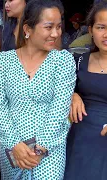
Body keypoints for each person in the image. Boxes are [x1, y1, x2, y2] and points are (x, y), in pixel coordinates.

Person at [0, 0, 76, 179]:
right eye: (48, 27)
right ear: (28, 29)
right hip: (12, 150)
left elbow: (59, 109)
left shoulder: (63, 61)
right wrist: (15, 145)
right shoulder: (3, 62)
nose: (56, 33)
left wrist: (39, 149)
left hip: (49, 151)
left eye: (59, 27)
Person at [65, 2, 107, 179]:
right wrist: (72, 94)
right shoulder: (78, 61)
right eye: (101, 27)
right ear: (90, 30)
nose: (106, 34)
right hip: (80, 142)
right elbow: (58, 90)